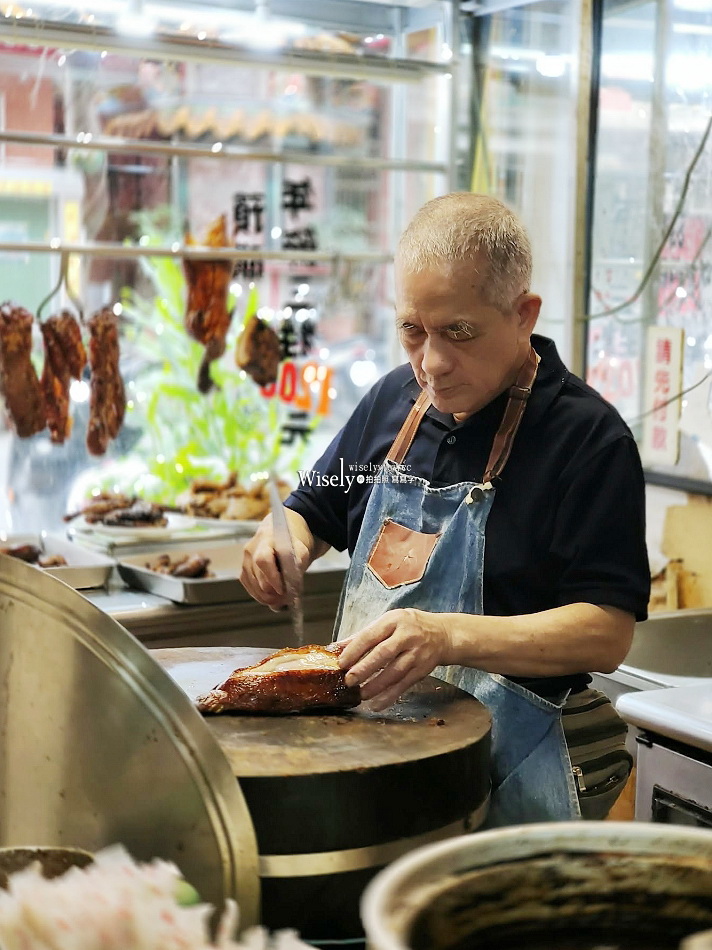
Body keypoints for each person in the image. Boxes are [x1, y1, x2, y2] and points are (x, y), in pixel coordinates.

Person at [240, 192, 650, 827]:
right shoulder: (390, 404)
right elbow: (312, 511)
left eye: (458, 332)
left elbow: (606, 632)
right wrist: (283, 537)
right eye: (413, 330)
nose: (431, 362)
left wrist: (446, 636)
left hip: (509, 778)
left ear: (523, 314)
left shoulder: (588, 441)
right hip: (373, 764)